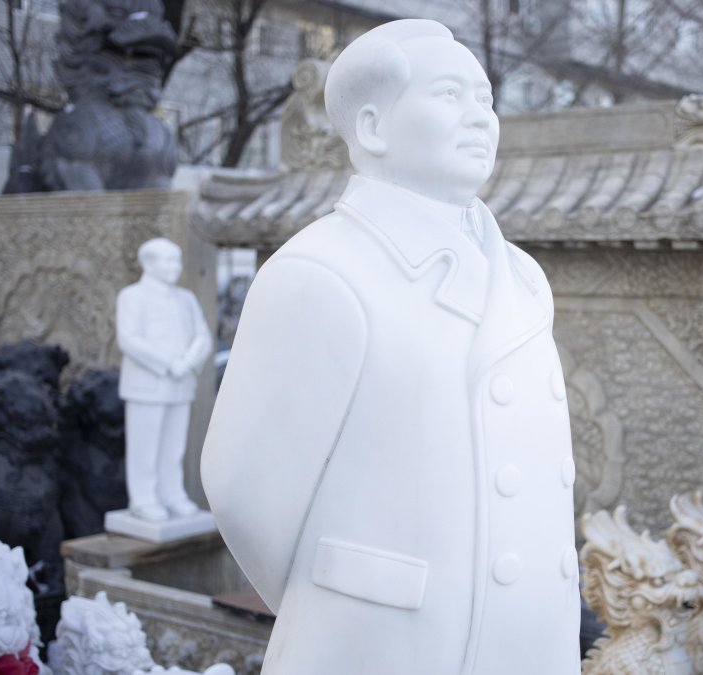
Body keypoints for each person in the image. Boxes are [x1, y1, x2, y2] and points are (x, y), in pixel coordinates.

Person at [201, 19, 580, 674]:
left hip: (528, 646)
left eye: (485, 99)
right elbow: (244, 493)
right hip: (384, 644)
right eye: (449, 95)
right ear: (373, 127)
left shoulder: (522, 276)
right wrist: (335, 597)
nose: (479, 118)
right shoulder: (321, 272)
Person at [116, 237, 211, 522]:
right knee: (145, 445)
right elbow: (129, 339)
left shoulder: (186, 298)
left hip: (181, 383)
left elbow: (203, 335)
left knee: (173, 446)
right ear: (148, 263)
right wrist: (170, 363)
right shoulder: (132, 296)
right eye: (168, 260)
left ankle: (172, 493)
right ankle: (144, 497)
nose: (175, 267)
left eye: (177, 260)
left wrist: (189, 362)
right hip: (148, 384)